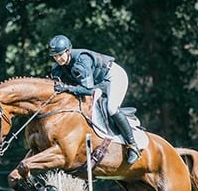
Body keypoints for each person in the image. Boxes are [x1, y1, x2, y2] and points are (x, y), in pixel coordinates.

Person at [48, 34, 140, 164]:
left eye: (60, 55)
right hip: (98, 82)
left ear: (68, 51)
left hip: (113, 76)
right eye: (55, 56)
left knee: (111, 108)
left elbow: (88, 90)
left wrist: (68, 88)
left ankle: (133, 146)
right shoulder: (58, 67)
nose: (58, 59)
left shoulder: (82, 60)